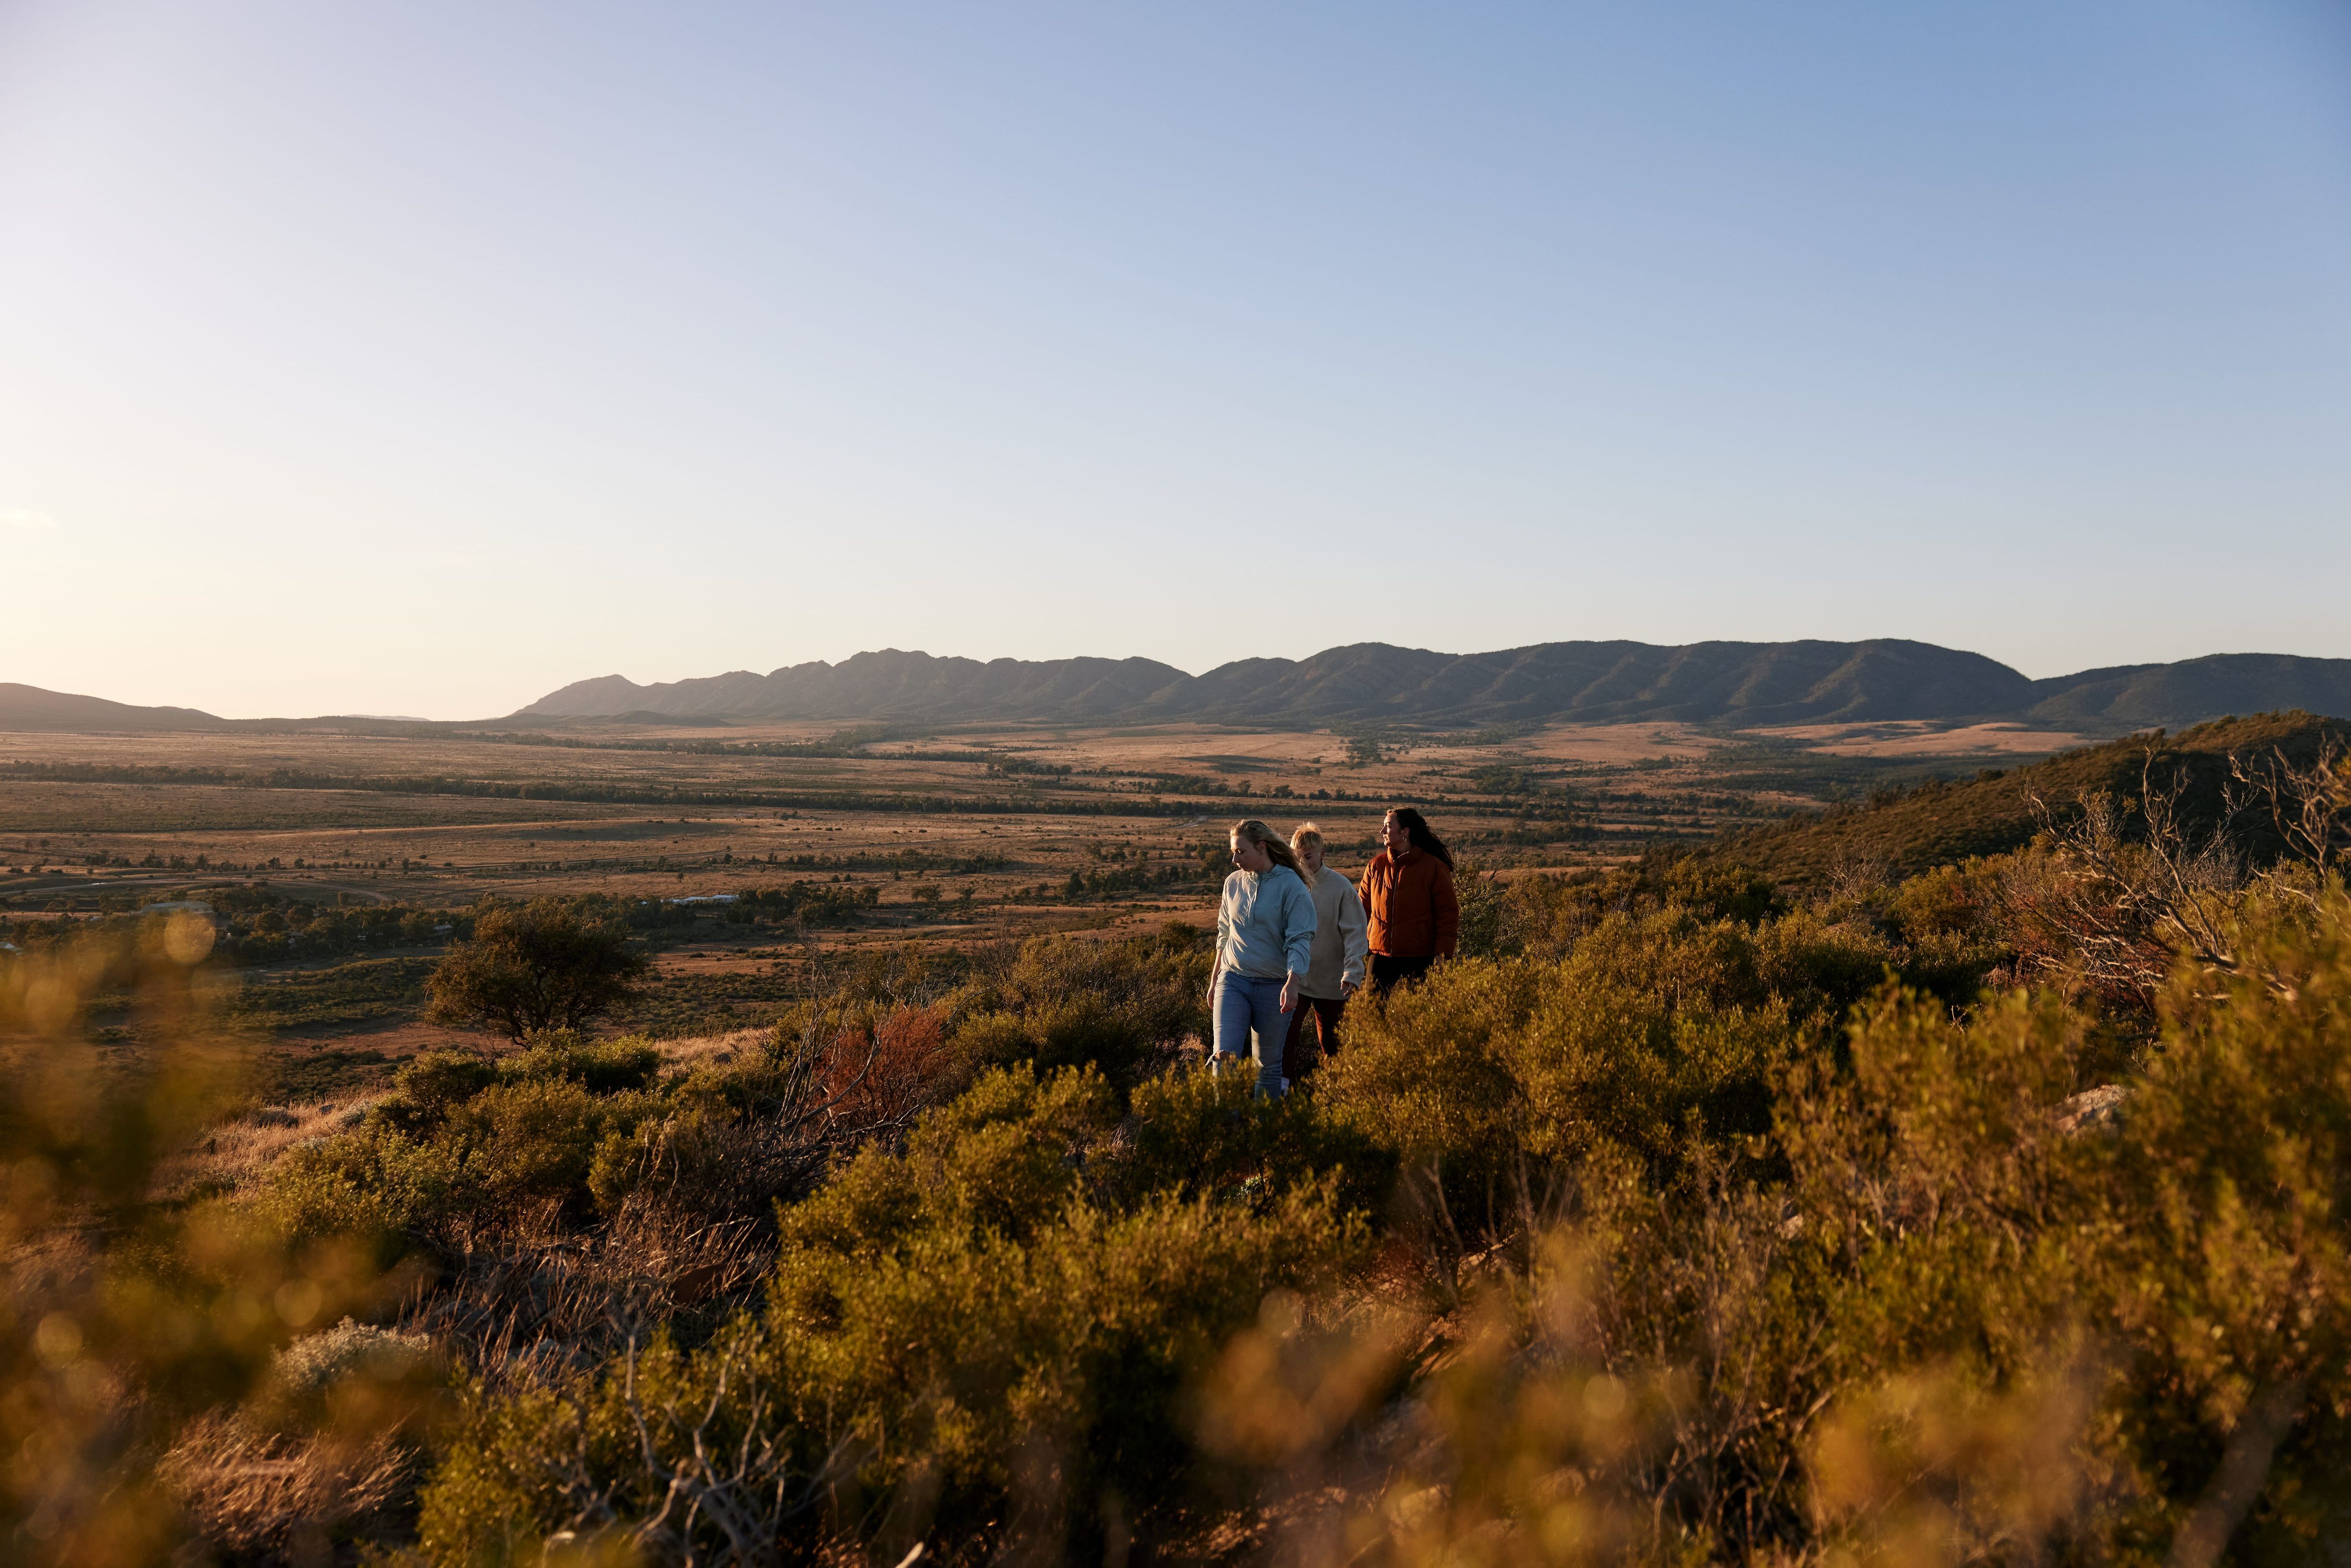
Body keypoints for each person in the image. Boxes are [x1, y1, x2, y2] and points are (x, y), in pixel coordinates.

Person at [1210, 818, 1318, 1097]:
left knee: (1268, 1067)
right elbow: (1224, 935)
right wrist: (1215, 981)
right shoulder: (1233, 884)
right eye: (1233, 852)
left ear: (1261, 847)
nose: (1235, 859)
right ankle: (1226, 1131)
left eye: (1240, 852)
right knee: (1224, 1061)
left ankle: (1262, 1133)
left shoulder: (1291, 886)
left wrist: (1293, 982)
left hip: (1274, 986)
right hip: (1232, 981)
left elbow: (1300, 938)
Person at [1284, 821, 1366, 1080]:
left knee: (1332, 1044)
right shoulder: (1288, 884)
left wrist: (1353, 971)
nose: (1302, 861)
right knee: (1284, 1038)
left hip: (1333, 982)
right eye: (1297, 857)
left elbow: (1355, 932)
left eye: (1307, 856)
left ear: (1321, 854)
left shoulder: (1340, 887)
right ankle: (1281, 1090)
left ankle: (1336, 1094)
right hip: (1294, 979)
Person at [1358, 806, 1458, 995]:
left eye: (1388, 826)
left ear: (1405, 832)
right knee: (1372, 1015)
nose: (1382, 832)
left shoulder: (1434, 868)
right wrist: (1354, 948)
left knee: (1420, 1018)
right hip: (1380, 952)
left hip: (1420, 956)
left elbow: (1448, 914)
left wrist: (1443, 955)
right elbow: (1360, 910)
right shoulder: (1375, 866)